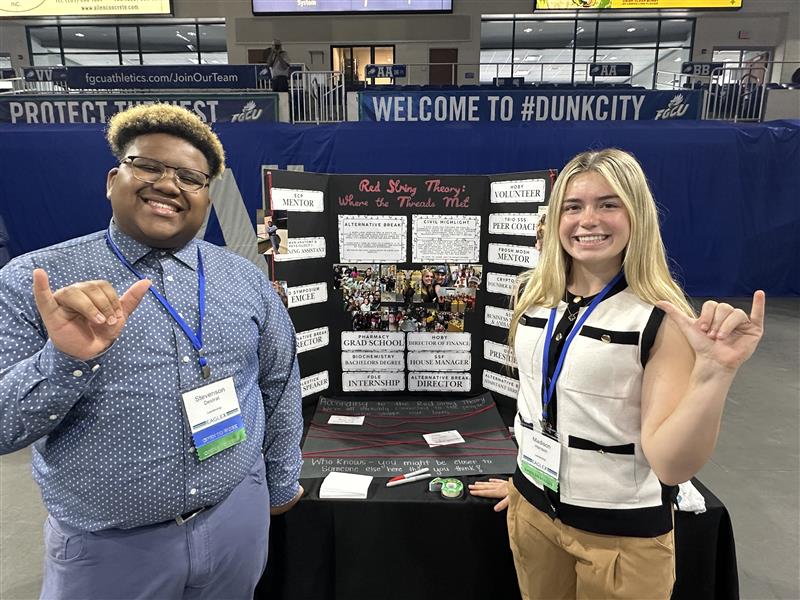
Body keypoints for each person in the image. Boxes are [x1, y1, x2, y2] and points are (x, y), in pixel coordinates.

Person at [0, 104, 304, 600]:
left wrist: (281, 481)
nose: (168, 185)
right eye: (148, 166)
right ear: (112, 179)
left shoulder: (245, 278)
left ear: (206, 196)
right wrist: (65, 360)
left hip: (235, 521)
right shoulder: (36, 281)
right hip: (109, 550)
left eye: (190, 177)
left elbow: (279, 382)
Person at [479, 148, 765, 600]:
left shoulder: (659, 317)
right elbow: (539, 402)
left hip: (620, 536)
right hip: (534, 514)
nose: (588, 220)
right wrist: (524, 483)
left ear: (637, 215)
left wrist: (714, 374)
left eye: (608, 204)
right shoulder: (531, 296)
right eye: (573, 206)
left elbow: (671, 464)